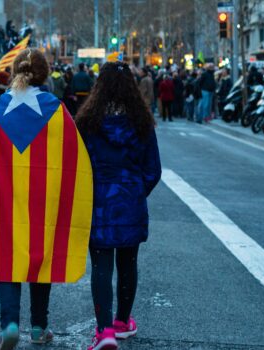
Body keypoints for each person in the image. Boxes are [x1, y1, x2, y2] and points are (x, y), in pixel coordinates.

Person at [0, 49, 93, 350]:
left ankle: (9, 324)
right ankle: (38, 327)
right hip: (44, 202)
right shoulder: (56, 110)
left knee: (7, 259)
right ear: (43, 74)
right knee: (41, 261)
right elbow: (74, 161)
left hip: (5, 199)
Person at [75, 61, 161, 350]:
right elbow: (153, 170)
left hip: (98, 200)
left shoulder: (87, 122)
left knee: (101, 265)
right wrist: (136, 191)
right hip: (130, 199)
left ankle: (104, 331)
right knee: (128, 262)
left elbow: (76, 165)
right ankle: (124, 322)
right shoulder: (142, 122)